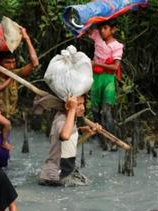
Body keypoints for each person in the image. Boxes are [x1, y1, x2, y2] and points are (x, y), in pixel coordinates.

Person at [0, 27, 39, 168]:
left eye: (13, 62)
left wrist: (26, 38)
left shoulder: (15, 75)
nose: (11, 66)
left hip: (5, 126)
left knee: (3, 159)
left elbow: (34, 63)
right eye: (7, 63)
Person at [38, 95, 99, 187]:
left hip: (62, 174)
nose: (83, 108)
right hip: (55, 177)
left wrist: (83, 131)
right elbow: (65, 136)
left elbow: (67, 139)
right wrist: (72, 110)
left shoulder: (69, 120)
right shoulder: (61, 120)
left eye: (83, 104)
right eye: (78, 104)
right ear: (67, 106)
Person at [86, 20, 123, 151]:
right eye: (101, 28)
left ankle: (112, 140)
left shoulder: (117, 46)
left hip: (108, 80)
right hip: (96, 78)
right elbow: (87, 27)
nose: (102, 31)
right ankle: (100, 139)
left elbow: (115, 67)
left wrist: (97, 64)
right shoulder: (97, 36)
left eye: (105, 28)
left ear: (112, 30)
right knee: (95, 110)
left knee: (106, 111)